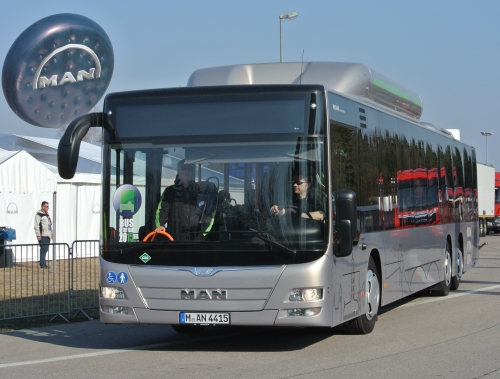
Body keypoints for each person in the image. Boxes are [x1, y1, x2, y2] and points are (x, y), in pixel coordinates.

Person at [155, 159, 217, 240]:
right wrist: (160, 225)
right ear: (178, 171)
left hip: (196, 239)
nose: (187, 172)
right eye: (184, 169)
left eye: (190, 169)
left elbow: (209, 215)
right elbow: (161, 210)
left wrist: (202, 234)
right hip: (174, 239)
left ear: (193, 172)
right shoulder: (170, 191)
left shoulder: (201, 192)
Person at [34, 201, 53, 268]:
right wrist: (38, 235)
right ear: (43, 207)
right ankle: (42, 264)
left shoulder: (47, 215)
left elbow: (49, 225)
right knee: (43, 249)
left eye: (48, 206)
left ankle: (43, 263)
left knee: (45, 249)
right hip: (43, 235)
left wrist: (51, 233)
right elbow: (36, 226)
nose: (48, 208)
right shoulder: (39, 215)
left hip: (48, 235)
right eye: (47, 206)